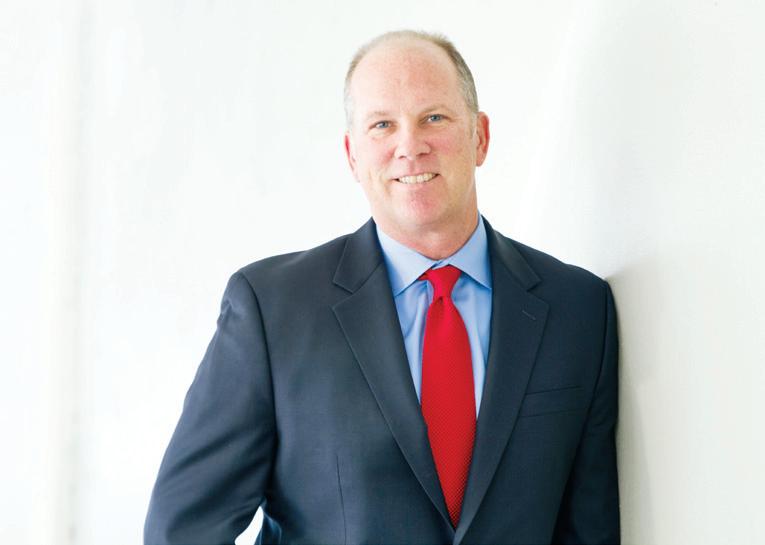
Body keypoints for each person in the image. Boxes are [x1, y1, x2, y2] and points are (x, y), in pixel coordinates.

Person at [144, 30, 620, 545]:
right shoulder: (272, 310)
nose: (409, 146)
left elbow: (590, 531)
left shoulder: (579, 310)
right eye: (382, 125)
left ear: (480, 137)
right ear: (353, 155)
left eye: (433, 118)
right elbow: (183, 530)